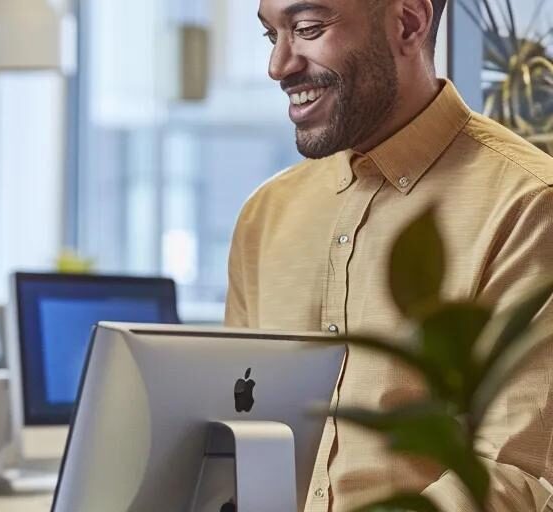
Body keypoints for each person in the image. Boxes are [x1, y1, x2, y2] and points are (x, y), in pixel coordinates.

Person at [230, 0, 553, 510]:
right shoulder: (265, 215)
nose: (279, 66)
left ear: (408, 22)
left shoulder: (531, 205)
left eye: (308, 29)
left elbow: (517, 476)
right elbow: (230, 439)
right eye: (273, 36)